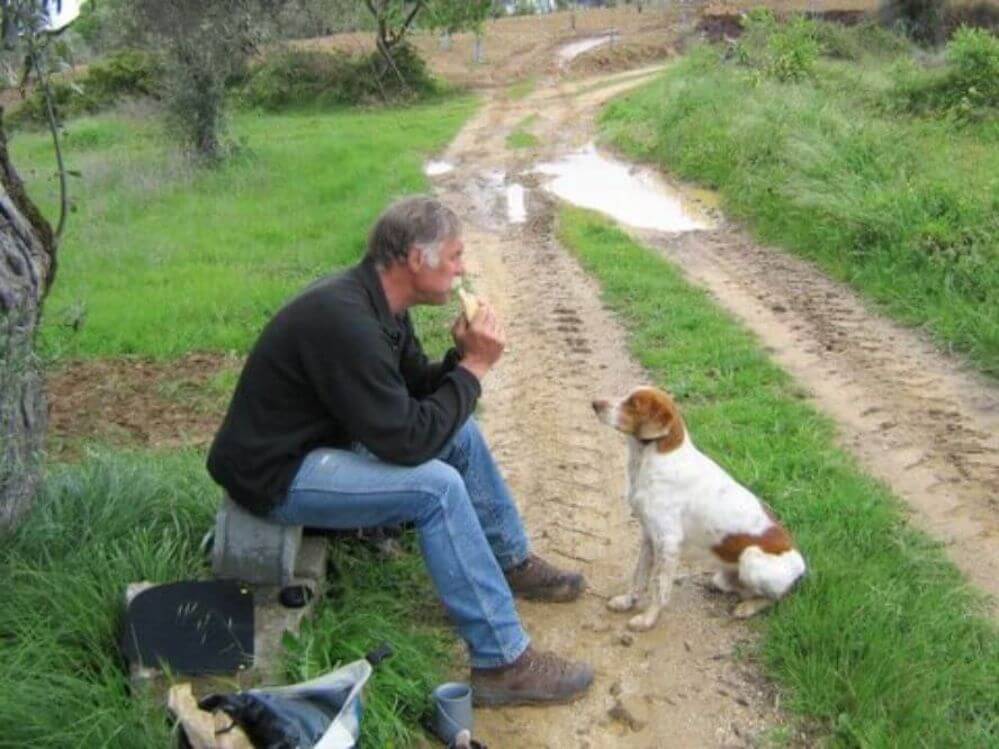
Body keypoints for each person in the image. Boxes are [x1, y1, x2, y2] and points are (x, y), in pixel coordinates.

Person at [207, 196, 594, 706]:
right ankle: (502, 662)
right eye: (455, 256)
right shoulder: (345, 319)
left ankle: (509, 561)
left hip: (321, 446)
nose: (462, 269)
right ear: (416, 258)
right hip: (277, 474)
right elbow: (407, 441)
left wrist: (459, 361)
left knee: (460, 434)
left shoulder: (383, 306)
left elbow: (416, 396)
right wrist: (474, 370)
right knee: (436, 489)